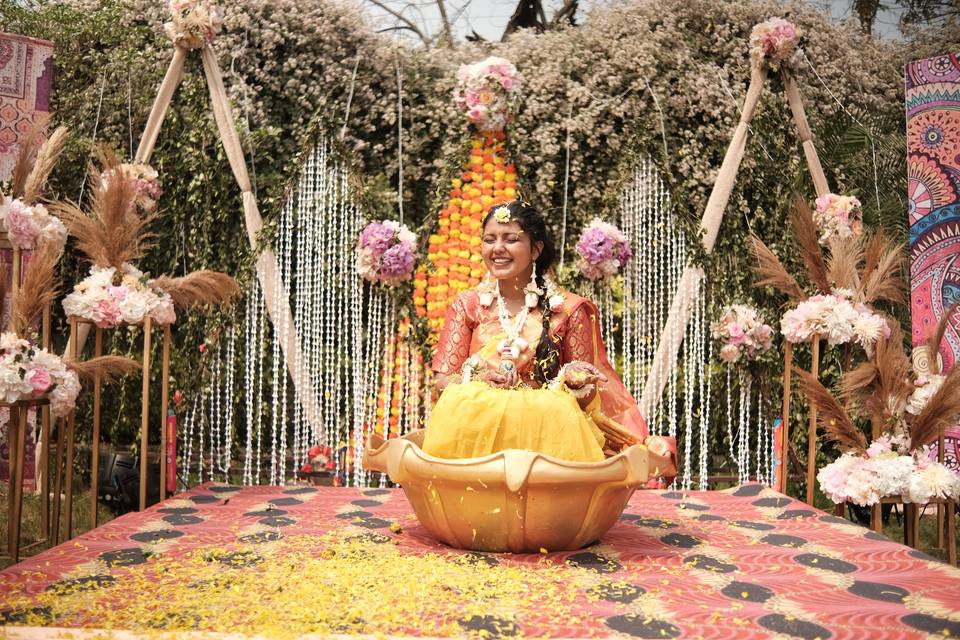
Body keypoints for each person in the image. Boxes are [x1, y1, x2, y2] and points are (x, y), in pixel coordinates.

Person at [423, 200, 672, 467]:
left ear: (535, 249)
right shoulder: (467, 305)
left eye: (511, 239)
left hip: (548, 448)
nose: (497, 249)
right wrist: (475, 376)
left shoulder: (569, 310)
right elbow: (441, 382)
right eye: (489, 239)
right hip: (475, 444)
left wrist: (576, 382)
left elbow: (588, 400)